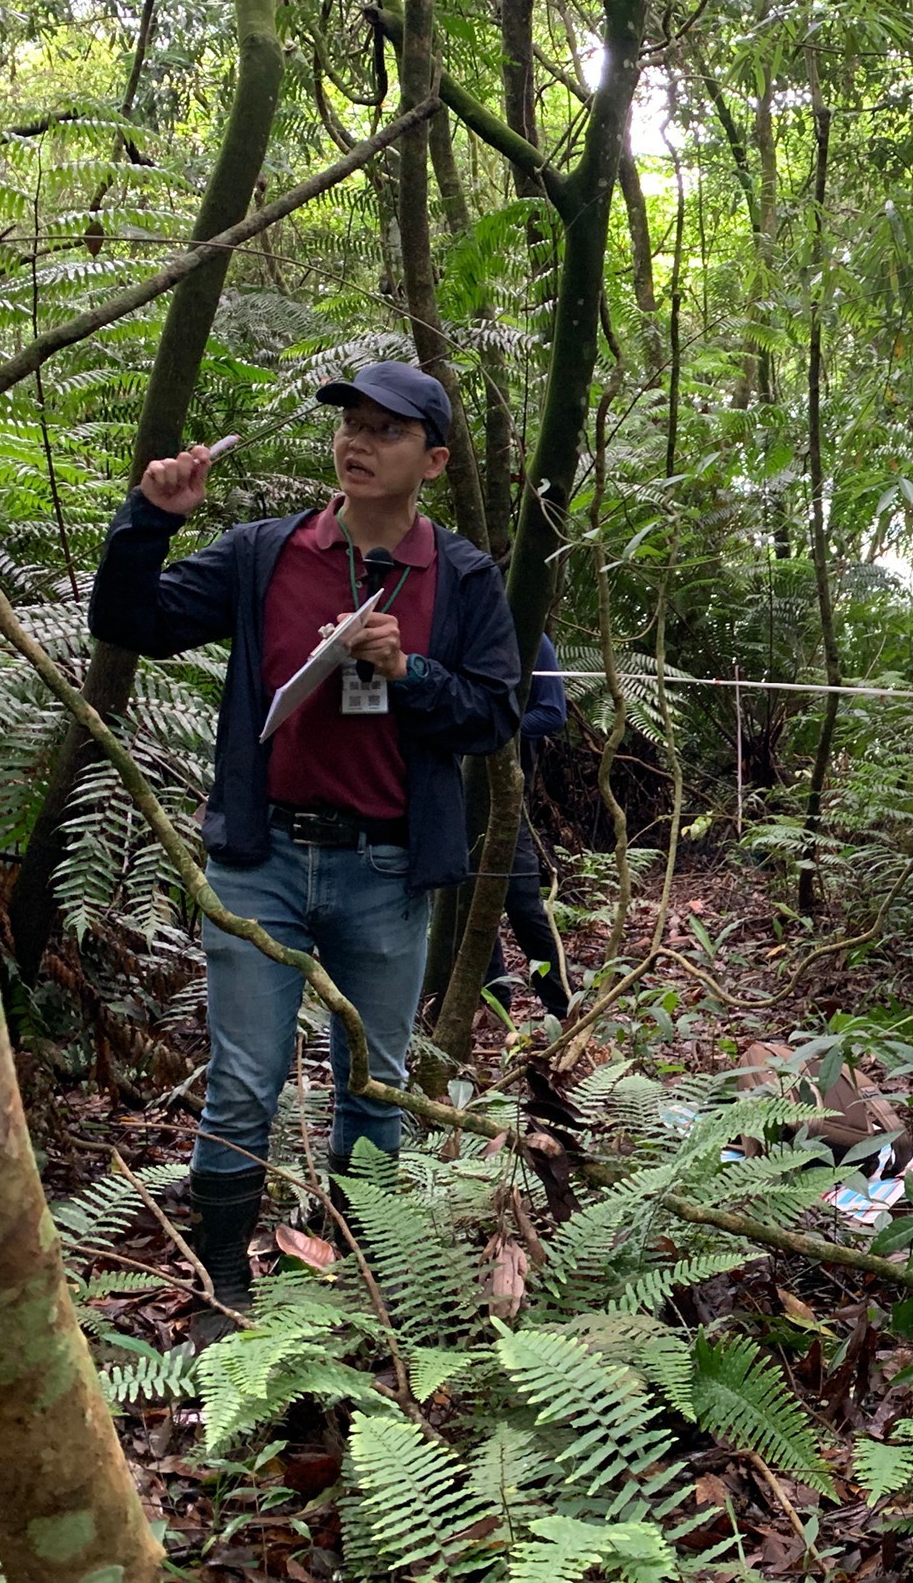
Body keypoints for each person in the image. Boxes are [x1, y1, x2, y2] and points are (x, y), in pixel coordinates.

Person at [90, 360, 521, 1338]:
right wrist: (149, 519)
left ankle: (364, 1278)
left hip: (385, 869)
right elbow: (129, 619)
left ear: (435, 458)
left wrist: (404, 671)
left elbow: (492, 716)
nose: (357, 442)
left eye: (387, 429)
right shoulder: (264, 554)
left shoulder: (458, 577)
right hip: (263, 858)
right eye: (350, 424)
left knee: (373, 1085)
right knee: (242, 1080)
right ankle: (221, 1291)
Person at [484, 633, 570, 1019]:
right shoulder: (461, 629)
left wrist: (493, 726)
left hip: (505, 794)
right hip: (455, 794)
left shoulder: (529, 636)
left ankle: (560, 1005)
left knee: (522, 903)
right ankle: (494, 1003)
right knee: (466, 901)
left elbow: (553, 712)